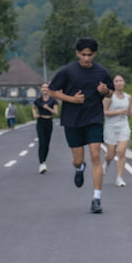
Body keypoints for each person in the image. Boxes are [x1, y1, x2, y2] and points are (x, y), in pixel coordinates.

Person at [48, 36, 114, 213]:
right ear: (77, 53)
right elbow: (52, 91)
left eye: (90, 55)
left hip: (94, 118)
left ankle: (96, 199)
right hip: (73, 119)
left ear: (95, 54)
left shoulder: (101, 72)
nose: (86, 58)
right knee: (78, 159)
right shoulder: (67, 71)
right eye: (83, 54)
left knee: (95, 155)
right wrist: (72, 99)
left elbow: (110, 92)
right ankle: (80, 168)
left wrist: (105, 91)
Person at [103, 75, 132, 187]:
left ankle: (119, 178)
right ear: (113, 84)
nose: (119, 83)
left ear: (124, 83)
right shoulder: (109, 97)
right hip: (110, 127)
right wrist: (118, 112)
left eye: (120, 81)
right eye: (116, 81)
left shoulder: (128, 97)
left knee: (121, 152)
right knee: (110, 154)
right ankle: (107, 163)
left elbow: (128, 113)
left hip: (123, 126)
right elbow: (104, 113)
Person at [32, 82, 59, 174]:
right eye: (43, 87)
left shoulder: (53, 101)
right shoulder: (38, 100)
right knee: (42, 142)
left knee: (47, 144)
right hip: (40, 122)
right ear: (41, 89)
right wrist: (35, 114)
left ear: (49, 89)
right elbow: (34, 108)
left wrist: (48, 108)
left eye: (46, 87)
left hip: (49, 122)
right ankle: (41, 163)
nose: (44, 89)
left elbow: (56, 113)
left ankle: (44, 161)